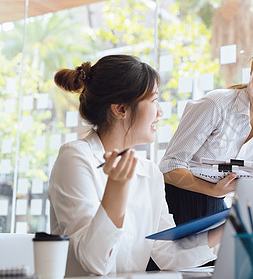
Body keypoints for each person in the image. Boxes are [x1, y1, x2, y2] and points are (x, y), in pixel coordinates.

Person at [47, 55, 221, 276]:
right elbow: (94, 263)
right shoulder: (75, 158)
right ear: (121, 109)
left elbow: (167, 252)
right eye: (153, 100)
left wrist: (228, 230)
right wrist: (116, 188)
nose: (160, 112)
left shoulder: (150, 172)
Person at [160, 38, 253, 225]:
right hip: (173, 209)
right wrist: (213, 190)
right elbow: (168, 167)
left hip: (218, 218)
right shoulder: (215, 105)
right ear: (252, 68)